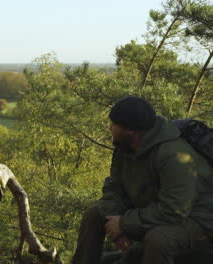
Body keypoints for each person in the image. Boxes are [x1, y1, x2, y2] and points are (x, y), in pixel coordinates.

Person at [71, 96, 213, 264]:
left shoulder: (173, 154)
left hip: (197, 220)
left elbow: (174, 210)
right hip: (153, 210)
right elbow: (113, 189)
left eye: (114, 124)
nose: (110, 128)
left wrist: (124, 223)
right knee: (94, 214)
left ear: (130, 130)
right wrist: (115, 220)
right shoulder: (125, 148)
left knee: (159, 240)